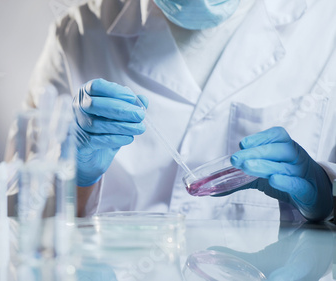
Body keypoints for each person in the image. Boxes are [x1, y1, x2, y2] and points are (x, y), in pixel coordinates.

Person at [19, 0, 336, 221]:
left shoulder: (326, 25)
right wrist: (74, 179)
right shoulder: (76, 35)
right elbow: (16, 215)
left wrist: (327, 193)